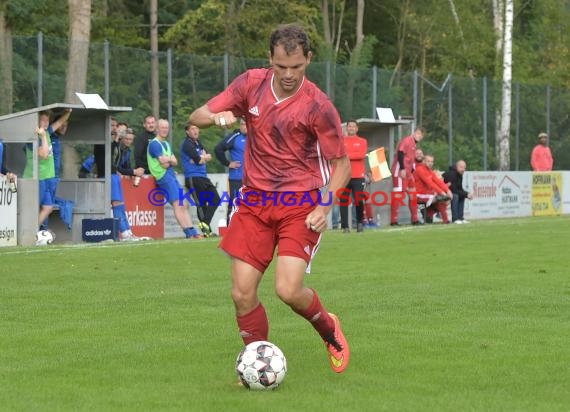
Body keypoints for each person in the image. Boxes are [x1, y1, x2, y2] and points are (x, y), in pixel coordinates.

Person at [189, 23, 351, 374]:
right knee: (242, 293)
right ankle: (259, 364)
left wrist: (325, 204)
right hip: (253, 204)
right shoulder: (251, 84)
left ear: (308, 59)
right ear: (270, 60)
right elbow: (196, 116)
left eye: (297, 66)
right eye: (281, 67)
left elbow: (342, 165)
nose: (289, 74)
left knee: (289, 290)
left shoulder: (318, 106)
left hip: (301, 206)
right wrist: (217, 116)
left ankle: (329, 329)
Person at [147, 119, 202, 239]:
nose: (165, 130)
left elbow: (174, 161)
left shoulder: (166, 144)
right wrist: (169, 161)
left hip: (170, 174)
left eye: (166, 127)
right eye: (162, 127)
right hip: (163, 176)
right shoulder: (154, 144)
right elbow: (163, 163)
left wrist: (169, 161)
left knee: (184, 204)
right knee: (178, 204)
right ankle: (188, 232)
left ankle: (192, 231)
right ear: (157, 128)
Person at [23, 109, 72, 230]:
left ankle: (33, 230)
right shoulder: (33, 138)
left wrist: (68, 112)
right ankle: (27, 231)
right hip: (36, 178)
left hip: (46, 178)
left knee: (48, 207)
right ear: (36, 121)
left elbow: (59, 123)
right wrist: (43, 136)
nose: (46, 123)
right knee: (34, 207)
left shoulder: (47, 132)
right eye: (43, 120)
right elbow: (44, 154)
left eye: (47, 120)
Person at [181, 122, 221, 237]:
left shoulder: (198, 142)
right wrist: (202, 158)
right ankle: (207, 231)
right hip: (193, 178)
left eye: (197, 128)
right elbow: (198, 160)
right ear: (187, 132)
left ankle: (205, 224)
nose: (195, 131)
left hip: (203, 177)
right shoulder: (187, 144)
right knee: (202, 204)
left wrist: (202, 158)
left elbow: (208, 155)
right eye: (192, 129)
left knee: (216, 199)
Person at [112, 127, 145, 241]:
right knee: (117, 204)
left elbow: (125, 167)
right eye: (126, 139)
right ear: (121, 138)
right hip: (109, 178)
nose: (128, 142)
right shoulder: (115, 148)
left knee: (120, 205)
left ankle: (128, 232)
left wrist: (132, 172)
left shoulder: (127, 150)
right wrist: (133, 172)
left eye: (131, 139)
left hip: (115, 178)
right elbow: (116, 167)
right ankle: (124, 233)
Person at [214, 118, 247, 223]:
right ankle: (230, 229)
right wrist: (228, 163)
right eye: (241, 124)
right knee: (234, 204)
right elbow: (218, 149)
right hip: (237, 178)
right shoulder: (235, 137)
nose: (243, 127)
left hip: (253, 179)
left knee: (252, 206)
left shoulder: (257, 137)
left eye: (245, 124)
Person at [390, 126, 425, 225]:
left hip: (408, 173)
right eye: (418, 133)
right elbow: (400, 153)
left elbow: (411, 160)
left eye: (421, 135)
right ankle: (394, 220)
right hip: (400, 171)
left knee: (413, 194)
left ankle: (414, 219)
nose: (419, 136)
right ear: (414, 133)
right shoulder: (407, 140)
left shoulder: (414, 144)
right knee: (398, 195)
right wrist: (402, 168)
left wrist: (411, 172)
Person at [339, 120, 368, 233]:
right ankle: (345, 227)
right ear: (347, 128)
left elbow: (361, 155)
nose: (351, 128)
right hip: (344, 175)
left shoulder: (362, 141)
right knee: (343, 201)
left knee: (359, 200)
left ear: (357, 129)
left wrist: (346, 155)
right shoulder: (341, 141)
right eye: (349, 126)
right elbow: (339, 155)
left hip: (358, 175)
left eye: (353, 126)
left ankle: (359, 223)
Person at [414, 153, 452, 224]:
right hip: (419, 195)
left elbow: (438, 181)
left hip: (427, 195)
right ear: (424, 161)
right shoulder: (419, 169)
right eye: (428, 161)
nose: (430, 163)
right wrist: (442, 192)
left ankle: (445, 220)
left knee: (443, 199)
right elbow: (429, 183)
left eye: (432, 161)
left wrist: (447, 190)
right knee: (441, 198)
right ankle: (428, 214)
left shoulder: (430, 171)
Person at [442, 159, 473, 224]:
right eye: (461, 167)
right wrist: (466, 194)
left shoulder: (459, 174)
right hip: (441, 192)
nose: (463, 169)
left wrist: (467, 194)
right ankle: (455, 218)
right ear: (456, 166)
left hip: (449, 192)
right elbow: (454, 189)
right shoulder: (452, 174)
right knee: (455, 196)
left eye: (464, 168)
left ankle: (460, 218)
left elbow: (460, 188)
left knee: (461, 196)